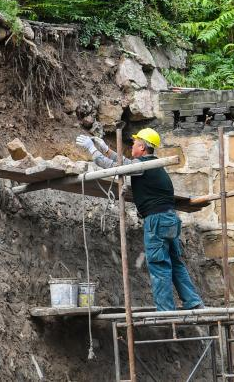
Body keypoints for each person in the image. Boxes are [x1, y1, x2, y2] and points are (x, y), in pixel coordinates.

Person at [76, 128, 204, 312]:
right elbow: (125, 163)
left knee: (159, 264)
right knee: (175, 263)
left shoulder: (143, 166)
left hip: (156, 220)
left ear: (142, 147)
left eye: (135, 143)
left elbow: (111, 166)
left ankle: (165, 311)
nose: (132, 146)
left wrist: (92, 150)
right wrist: (105, 148)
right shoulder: (152, 165)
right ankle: (193, 302)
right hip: (170, 219)